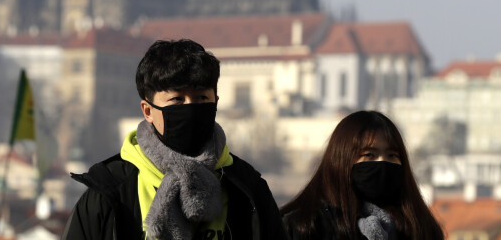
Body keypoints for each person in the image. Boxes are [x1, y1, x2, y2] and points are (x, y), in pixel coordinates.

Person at [61, 39, 284, 240]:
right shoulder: (109, 193)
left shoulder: (248, 189)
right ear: (147, 111)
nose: (190, 107)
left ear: (215, 102)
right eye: (177, 99)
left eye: (201, 98)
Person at [280, 110, 443, 240]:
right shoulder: (304, 226)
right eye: (369, 155)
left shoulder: (421, 228)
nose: (382, 162)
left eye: (392, 155)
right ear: (342, 160)